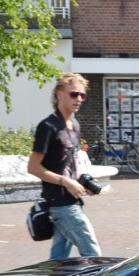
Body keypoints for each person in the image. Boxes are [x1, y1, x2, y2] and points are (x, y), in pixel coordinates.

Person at [28, 72, 102, 259]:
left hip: (72, 200)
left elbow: (72, 163)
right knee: (93, 254)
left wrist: (84, 181)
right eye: (74, 94)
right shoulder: (48, 126)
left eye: (82, 95)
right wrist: (67, 182)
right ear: (59, 93)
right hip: (60, 203)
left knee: (59, 259)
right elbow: (34, 167)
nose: (79, 99)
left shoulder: (74, 125)